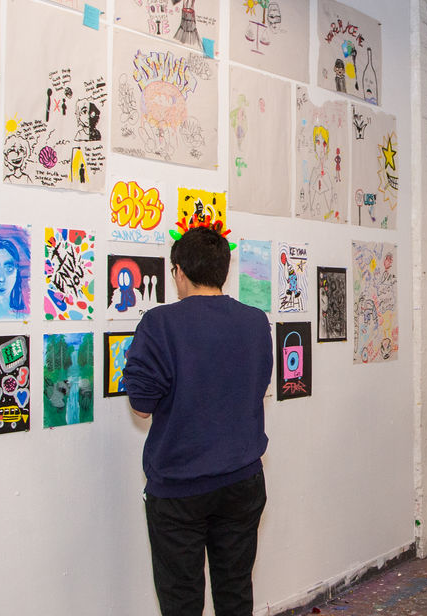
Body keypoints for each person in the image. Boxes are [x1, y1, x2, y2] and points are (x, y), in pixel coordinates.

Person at [123, 226, 273, 616]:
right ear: (223, 270)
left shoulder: (159, 324)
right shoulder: (256, 321)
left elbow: (142, 406)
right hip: (242, 479)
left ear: (179, 272)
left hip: (180, 486)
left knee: (181, 600)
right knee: (235, 592)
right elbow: (256, 386)